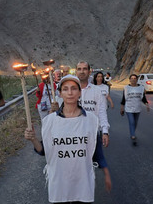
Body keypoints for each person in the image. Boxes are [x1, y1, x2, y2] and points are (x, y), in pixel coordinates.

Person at [25, 75, 100, 203]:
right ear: (60, 93)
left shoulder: (91, 120)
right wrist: (33, 139)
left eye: (74, 89)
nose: (70, 93)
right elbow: (45, 151)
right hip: (59, 180)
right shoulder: (49, 121)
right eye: (65, 89)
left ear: (80, 93)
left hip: (82, 180)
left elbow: (95, 151)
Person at [76, 61, 112, 192]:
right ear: (76, 71)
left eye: (85, 69)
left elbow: (102, 112)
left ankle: (86, 191)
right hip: (74, 135)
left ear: (89, 71)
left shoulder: (97, 92)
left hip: (92, 135)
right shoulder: (70, 90)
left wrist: (105, 131)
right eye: (79, 69)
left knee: (88, 166)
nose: (82, 71)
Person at [120, 74, 150, 146]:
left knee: (135, 123)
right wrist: (122, 108)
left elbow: (143, 98)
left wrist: (147, 104)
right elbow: (123, 99)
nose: (133, 79)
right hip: (129, 108)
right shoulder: (126, 88)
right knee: (132, 122)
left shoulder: (141, 88)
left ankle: (132, 132)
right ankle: (133, 135)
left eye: (135, 78)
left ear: (137, 79)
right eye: (132, 78)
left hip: (137, 108)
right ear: (129, 80)